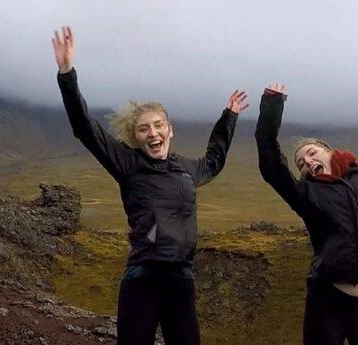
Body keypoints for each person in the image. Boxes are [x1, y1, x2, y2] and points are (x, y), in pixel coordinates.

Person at [52, 26, 244, 345]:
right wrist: (66, 71)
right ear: (136, 137)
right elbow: (85, 127)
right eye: (143, 129)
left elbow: (214, 160)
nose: (152, 133)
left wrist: (229, 117)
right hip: (143, 279)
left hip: (182, 281)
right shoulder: (128, 164)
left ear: (170, 130)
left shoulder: (187, 169)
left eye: (158, 126)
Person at [254, 84, 358, 345]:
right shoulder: (305, 194)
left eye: (311, 153)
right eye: (301, 164)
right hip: (328, 301)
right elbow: (270, 161)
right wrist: (272, 104)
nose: (307, 162)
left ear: (329, 152)